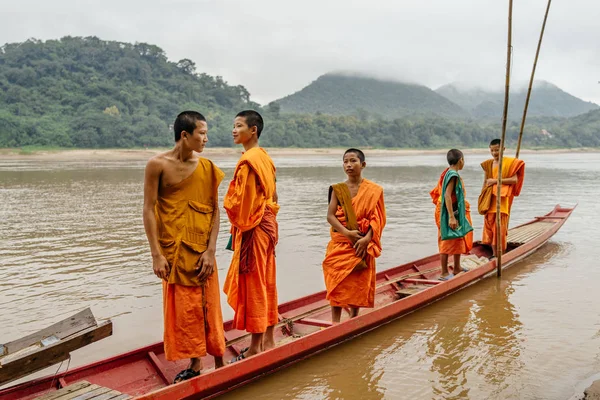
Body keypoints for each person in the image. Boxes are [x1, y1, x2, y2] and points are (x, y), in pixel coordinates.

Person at [142, 111, 225, 383]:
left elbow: (214, 211)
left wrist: (211, 251)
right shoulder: (157, 165)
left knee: (209, 306)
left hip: (202, 250)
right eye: (202, 133)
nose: (206, 138)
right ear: (184, 135)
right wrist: (156, 255)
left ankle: (220, 361)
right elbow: (149, 209)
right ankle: (196, 363)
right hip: (173, 251)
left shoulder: (208, 167)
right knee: (186, 311)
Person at [223, 110, 280, 361]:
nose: (234, 130)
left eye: (239, 126)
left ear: (253, 130)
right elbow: (274, 196)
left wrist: (231, 212)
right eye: (233, 126)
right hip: (267, 227)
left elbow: (239, 205)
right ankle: (268, 339)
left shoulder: (249, 161)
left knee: (255, 284)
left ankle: (256, 347)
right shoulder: (264, 158)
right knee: (267, 281)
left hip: (254, 229)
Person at [322, 148, 386, 324]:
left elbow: (378, 219)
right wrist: (347, 233)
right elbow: (330, 216)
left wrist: (367, 240)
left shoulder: (374, 190)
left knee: (357, 280)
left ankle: (353, 318)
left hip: (362, 243)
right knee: (335, 280)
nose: (349, 165)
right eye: (345, 161)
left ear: (363, 164)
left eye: (353, 161)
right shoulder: (338, 189)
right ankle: (335, 322)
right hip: (341, 242)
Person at [430, 149, 474, 281]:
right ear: (461, 160)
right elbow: (447, 196)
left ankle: (457, 268)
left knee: (458, 237)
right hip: (448, 211)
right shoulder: (453, 175)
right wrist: (451, 216)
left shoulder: (447, 172)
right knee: (446, 239)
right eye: (463, 160)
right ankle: (444, 272)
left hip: (451, 210)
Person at [478, 139, 526, 257]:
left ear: (503, 149)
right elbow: (485, 182)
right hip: (489, 200)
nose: (494, 153)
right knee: (489, 228)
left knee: (499, 229)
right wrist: (482, 198)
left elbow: (514, 180)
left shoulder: (509, 164)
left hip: (501, 202)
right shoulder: (489, 164)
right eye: (492, 150)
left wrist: (495, 181)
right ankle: (494, 254)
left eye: (497, 150)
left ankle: (499, 255)